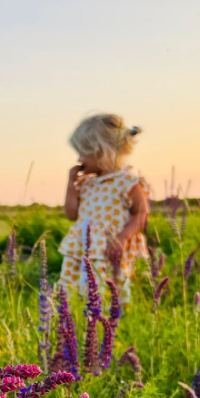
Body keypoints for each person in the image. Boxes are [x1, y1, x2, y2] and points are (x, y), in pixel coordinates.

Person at [58, 114, 149, 301]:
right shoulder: (86, 183)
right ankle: (76, 321)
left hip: (109, 247)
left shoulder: (127, 182)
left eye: (82, 153)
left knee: (111, 294)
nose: (79, 159)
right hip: (82, 247)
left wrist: (123, 236)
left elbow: (141, 213)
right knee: (76, 295)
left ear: (101, 152)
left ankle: (113, 323)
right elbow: (71, 214)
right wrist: (71, 185)